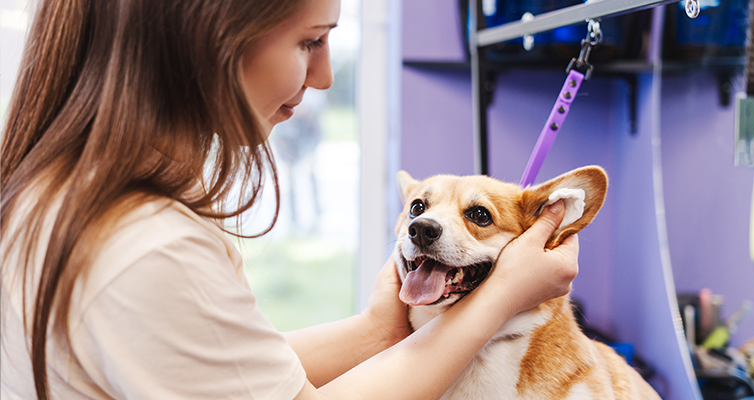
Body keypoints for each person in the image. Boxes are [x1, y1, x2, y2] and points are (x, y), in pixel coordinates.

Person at [0, 0, 580, 399]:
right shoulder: (149, 248)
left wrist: (381, 328)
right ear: (212, 34)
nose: (325, 76)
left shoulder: (69, 197)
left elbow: (235, 375)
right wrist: (501, 295)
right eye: (311, 42)